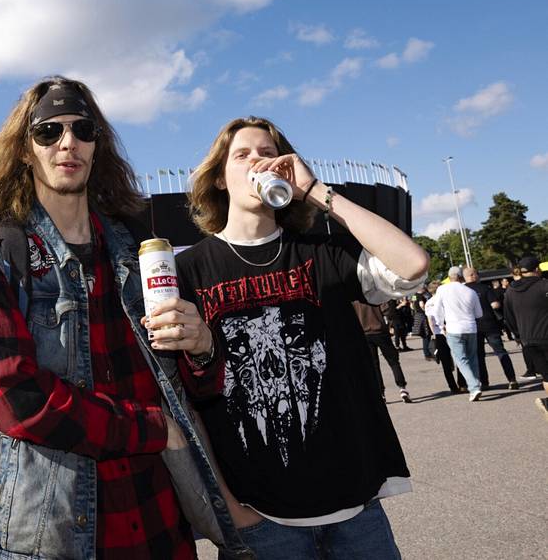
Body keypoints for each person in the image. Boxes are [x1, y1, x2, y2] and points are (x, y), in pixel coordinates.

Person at [0, 77, 242, 559]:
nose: (68, 142)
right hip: (52, 535)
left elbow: (194, 388)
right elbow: (11, 398)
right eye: (48, 131)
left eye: (83, 129)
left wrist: (202, 348)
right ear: (24, 150)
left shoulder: (137, 250)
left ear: (97, 145)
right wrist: (150, 429)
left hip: (157, 524)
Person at [174, 116, 428, 559]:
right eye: (243, 154)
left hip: (356, 509)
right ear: (218, 176)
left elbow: (412, 267)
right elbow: (183, 402)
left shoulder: (321, 252)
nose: (259, 161)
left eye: (269, 153)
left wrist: (318, 192)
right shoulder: (188, 271)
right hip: (261, 519)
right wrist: (231, 510)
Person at [503, 255, 548, 419]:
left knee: (546, 374)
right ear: (537, 269)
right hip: (546, 335)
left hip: (528, 339)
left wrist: (517, 335)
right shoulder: (544, 285)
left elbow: (508, 317)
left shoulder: (510, 291)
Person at [433, 267, 485, 401]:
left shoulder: (442, 290)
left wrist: (440, 325)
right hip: (471, 327)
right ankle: (476, 384)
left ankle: (474, 387)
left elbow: (437, 309)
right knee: (473, 357)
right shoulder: (471, 291)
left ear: (449, 276)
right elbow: (479, 314)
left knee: (461, 359)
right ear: (461, 277)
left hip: (453, 328)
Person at [464, 266, 519, 390]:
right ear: (474, 275)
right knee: (501, 352)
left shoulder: (463, 290)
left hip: (473, 326)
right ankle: (511, 379)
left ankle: (484, 382)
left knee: (479, 355)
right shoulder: (485, 288)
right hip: (490, 324)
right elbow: (495, 305)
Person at [354, 301, 412, 402]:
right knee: (393, 361)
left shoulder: (355, 300)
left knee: (374, 365)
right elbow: (388, 311)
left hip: (365, 335)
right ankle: (402, 388)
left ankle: (381, 393)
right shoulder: (375, 296)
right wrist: (390, 325)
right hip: (380, 332)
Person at [423, 282, 463, 395]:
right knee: (459, 357)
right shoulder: (445, 300)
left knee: (445, 362)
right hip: (451, 330)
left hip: (438, 334)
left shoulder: (428, 303)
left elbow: (430, 320)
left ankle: (452, 387)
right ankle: (462, 383)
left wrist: (434, 333)